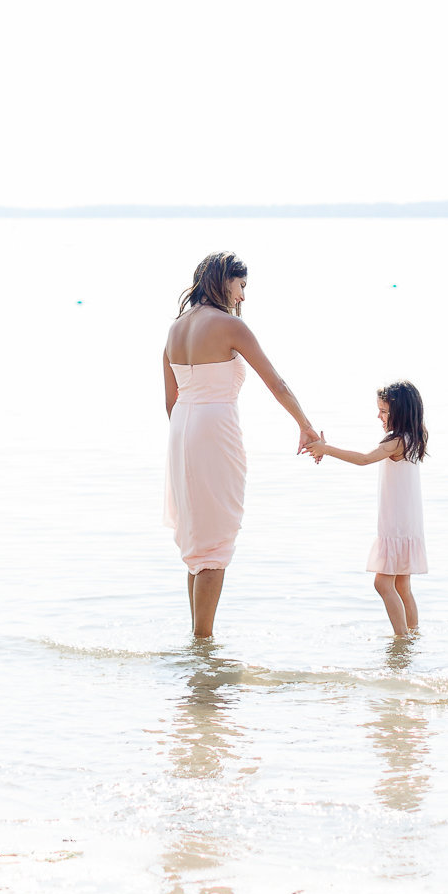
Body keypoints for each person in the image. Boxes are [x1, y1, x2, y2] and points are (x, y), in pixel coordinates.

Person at [162, 251, 321, 638]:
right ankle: (204, 644)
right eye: (241, 286)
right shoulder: (230, 326)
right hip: (214, 427)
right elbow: (276, 383)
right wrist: (306, 427)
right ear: (223, 281)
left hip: (182, 429)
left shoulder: (175, 328)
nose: (243, 297)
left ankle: (198, 639)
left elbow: (171, 401)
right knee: (216, 539)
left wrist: (190, 438)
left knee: (199, 541)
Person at [305, 381, 430, 637]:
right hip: (408, 523)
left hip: (396, 525)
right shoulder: (412, 438)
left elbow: (364, 459)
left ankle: (401, 640)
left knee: (382, 584)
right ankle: (413, 636)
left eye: (383, 411)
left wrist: (326, 449)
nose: (379, 416)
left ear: (400, 411)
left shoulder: (397, 442)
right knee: (402, 586)